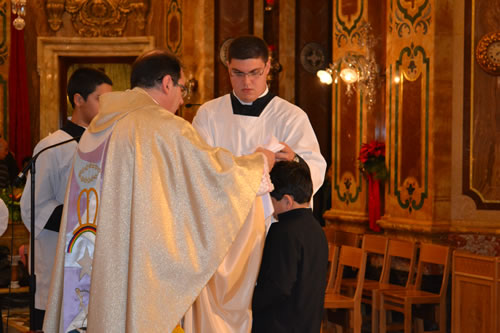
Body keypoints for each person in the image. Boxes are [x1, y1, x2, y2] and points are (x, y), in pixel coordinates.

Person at [43, 50, 275, 333]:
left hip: (98, 261)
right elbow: (214, 178)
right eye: (182, 88)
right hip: (137, 267)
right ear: (167, 83)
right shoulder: (163, 126)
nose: (182, 98)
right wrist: (260, 162)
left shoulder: (99, 127)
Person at [20, 68, 113, 330]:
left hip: (100, 258)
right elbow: (33, 206)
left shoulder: (111, 144)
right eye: (99, 99)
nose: (106, 107)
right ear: (78, 99)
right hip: (60, 256)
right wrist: (82, 220)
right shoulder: (53, 146)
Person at [192, 35, 327, 197]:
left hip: (274, 218)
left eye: (255, 73)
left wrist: (295, 160)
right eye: (238, 73)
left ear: (267, 67)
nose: (247, 82)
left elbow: (315, 171)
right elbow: (197, 168)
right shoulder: (209, 114)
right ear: (228, 67)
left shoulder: (291, 116)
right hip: (225, 214)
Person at [252, 161, 328, 333]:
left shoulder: (283, 231)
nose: (272, 209)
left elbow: (278, 286)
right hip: (308, 323)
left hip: (280, 324)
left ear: (287, 201)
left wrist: (248, 303)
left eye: (273, 201)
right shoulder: (318, 230)